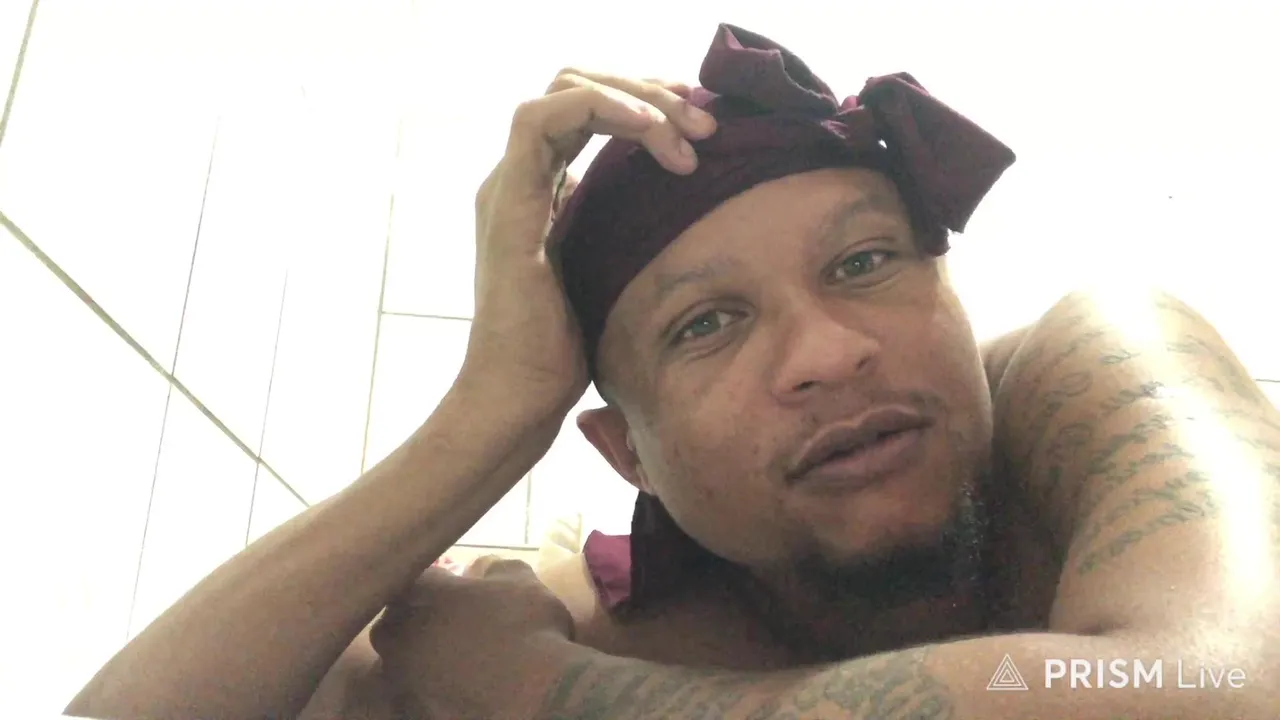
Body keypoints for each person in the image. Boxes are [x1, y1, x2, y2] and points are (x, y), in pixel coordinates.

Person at [67, 24, 1279, 720]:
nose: (827, 353)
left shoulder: (1091, 374)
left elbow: (1221, 692)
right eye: (707, 325)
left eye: (863, 263)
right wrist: (483, 426)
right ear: (627, 455)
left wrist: (535, 687)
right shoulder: (587, 613)